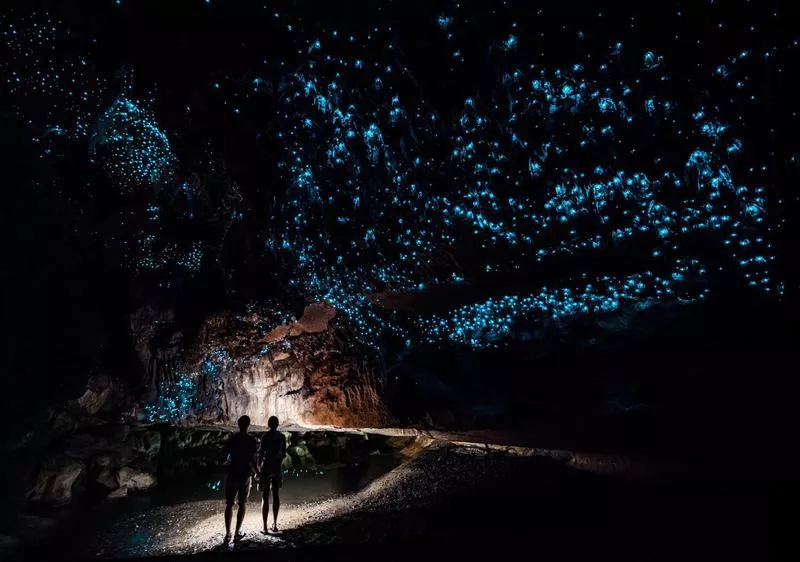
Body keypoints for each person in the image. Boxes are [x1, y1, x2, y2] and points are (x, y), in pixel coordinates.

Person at [221, 415, 259, 543]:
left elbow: (224, 457)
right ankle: (237, 532)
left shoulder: (232, 439)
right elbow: (252, 460)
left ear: (238, 424)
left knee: (229, 504)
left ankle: (228, 534)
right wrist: (257, 472)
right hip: (245, 475)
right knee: (242, 503)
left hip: (232, 473)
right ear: (248, 425)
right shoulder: (251, 440)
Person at [258, 415, 287, 533]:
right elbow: (284, 454)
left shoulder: (265, 436)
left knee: (265, 497)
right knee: (276, 495)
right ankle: (275, 525)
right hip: (276, 468)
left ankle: (264, 527)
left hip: (266, 468)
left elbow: (261, 454)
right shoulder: (282, 437)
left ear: (269, 425)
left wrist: (258, 467)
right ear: (278, 424)